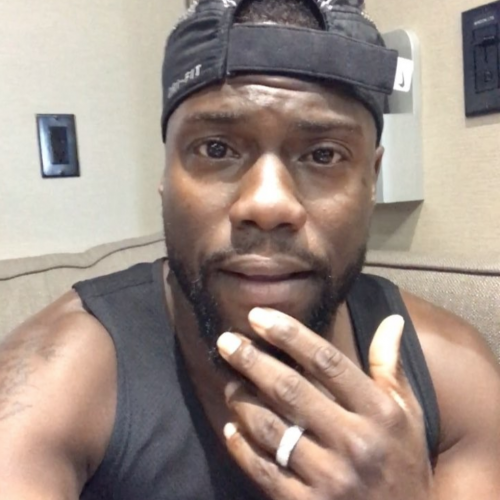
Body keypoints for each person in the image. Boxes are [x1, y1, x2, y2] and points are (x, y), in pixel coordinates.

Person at [1, 0, 500, 498]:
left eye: (324, 154)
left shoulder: (452, 377)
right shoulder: (56, 379)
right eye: (216, 149)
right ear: (165, 175)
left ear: (372, 179)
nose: (267, 204)